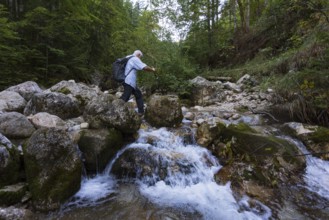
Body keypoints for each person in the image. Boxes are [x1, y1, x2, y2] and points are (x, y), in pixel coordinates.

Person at [120, 50, 156, 115]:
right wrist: (152, 70)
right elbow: (144, 67)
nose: (140, 59)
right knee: (125, 97)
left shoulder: (128, 57)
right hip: (129, 81)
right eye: (140, 57)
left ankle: (141, 112)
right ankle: (115, 108)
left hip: (125, 79)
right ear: (138, 55)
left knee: (138, 94)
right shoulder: (135, 59)